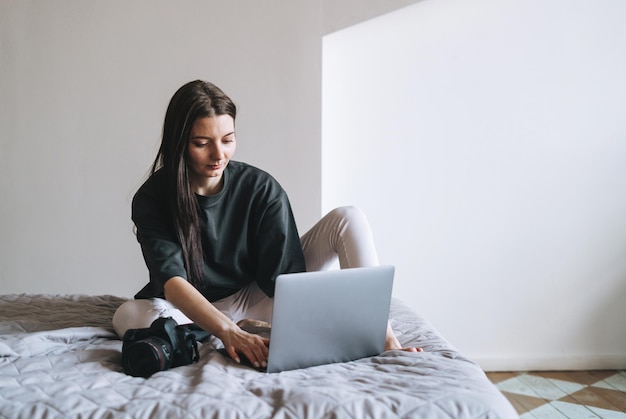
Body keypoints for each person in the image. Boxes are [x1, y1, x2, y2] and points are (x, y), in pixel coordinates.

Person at [113, 80, 421, 370]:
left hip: (253, 298)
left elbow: (284, 279)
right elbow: (172, 282)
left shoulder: (261, 188)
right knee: (128, 315)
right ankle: (222, 333)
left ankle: (385, 338)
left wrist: (305, 314)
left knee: (348, 217)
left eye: (228, 140)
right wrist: (230, 331)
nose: (218, 154)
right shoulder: (152, 197)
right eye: (202, 143)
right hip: (188, 307)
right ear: (180, 143)